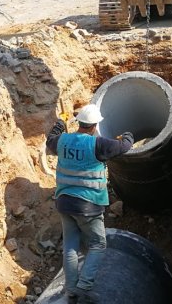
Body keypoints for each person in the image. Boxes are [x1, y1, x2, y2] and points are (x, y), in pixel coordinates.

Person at [45, 104, 134, 304]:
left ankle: (71, 290)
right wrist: (128, 135)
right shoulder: (98, 145)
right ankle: (84, 287)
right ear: (94, 126)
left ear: (79, 123)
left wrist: (59, 124)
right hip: (88, 205)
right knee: (98, 244)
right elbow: (124, 147)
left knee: (70, 247)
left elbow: (50, 140)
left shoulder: (62, 141)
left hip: (64, 202)